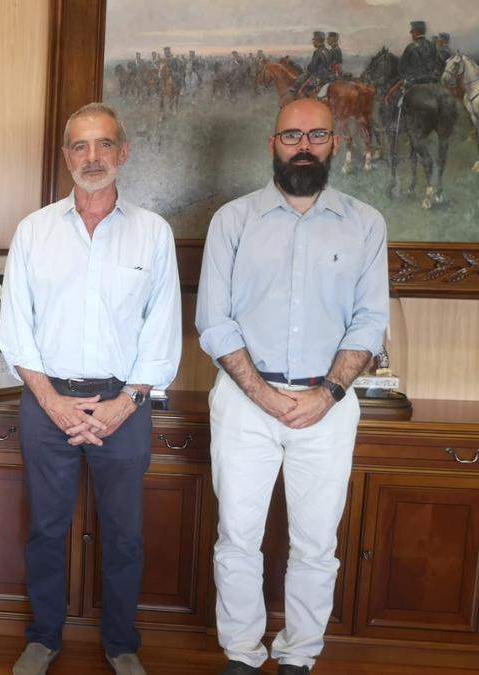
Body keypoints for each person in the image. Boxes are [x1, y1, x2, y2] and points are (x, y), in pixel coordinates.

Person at [195, 99, 388, 675]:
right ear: (272, 144)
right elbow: (214, 320)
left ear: (336, 143)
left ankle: (299, 657)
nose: (303, 145)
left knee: (315, 545)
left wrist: (325, 394)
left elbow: (369, 322)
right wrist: (266, 396)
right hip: (243, 402)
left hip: (326, 406)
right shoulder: (233, 220)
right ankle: (242, 656)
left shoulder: (365, 223)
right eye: (291, 135)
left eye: (317, 134)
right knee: (237, 538)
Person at [2, 103, 181, 675]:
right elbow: (15, 328)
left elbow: (163, 327)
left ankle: (121, 642)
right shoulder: (34, 231)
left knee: (125, 532)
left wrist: (124, 403)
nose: (93, 157)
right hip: (46, 398)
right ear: (65, 157)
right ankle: (44, 637)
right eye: (80, 146)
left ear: (123, 153)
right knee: (46, 529)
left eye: (104, 145)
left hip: (124, 403)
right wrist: (51, 401)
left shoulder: (153, 232)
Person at [399, 21, 444, 86]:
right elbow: (440, 64)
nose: (411, 34)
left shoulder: (410, 47)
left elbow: (401, 67)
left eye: (412, 32)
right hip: (432, 82)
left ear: (415, 32)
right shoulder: (432, 46)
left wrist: (408, 79)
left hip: (414, 84)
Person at [290, 31, 330, 99]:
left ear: (317, 40)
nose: (313, 42)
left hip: (318, 77)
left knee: (301, 91)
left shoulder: (317, 52)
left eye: (313, 40)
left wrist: (306, 69)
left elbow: (312, 67)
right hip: (327, 76)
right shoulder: (327, 51)